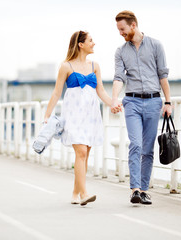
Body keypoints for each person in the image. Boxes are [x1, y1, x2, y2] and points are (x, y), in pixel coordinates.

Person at [44, 31, 114, 206]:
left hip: (90, 115)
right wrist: (47, 114)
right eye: (91, 40)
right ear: (80, 44)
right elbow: (56, 92)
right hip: (73, 115)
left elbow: (101, 91)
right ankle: (84, 194)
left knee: (85, 154)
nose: (94, 43)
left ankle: (75, 193)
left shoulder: (95, 66)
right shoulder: (66, 66)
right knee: (81, 152)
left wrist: (113, 104)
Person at [111, 10, 172, 205]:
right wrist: (114, 99)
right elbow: (119, 77)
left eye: (122, 29)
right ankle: (134, 189)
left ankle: (144, 190)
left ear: (133, 25)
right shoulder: (121, 51)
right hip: (132, 102)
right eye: (118, 29)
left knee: (148, 149)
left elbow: (163, 75)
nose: (120, 33)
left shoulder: (155, 45)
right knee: (135, 144)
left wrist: (168, 101)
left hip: (154, 102)